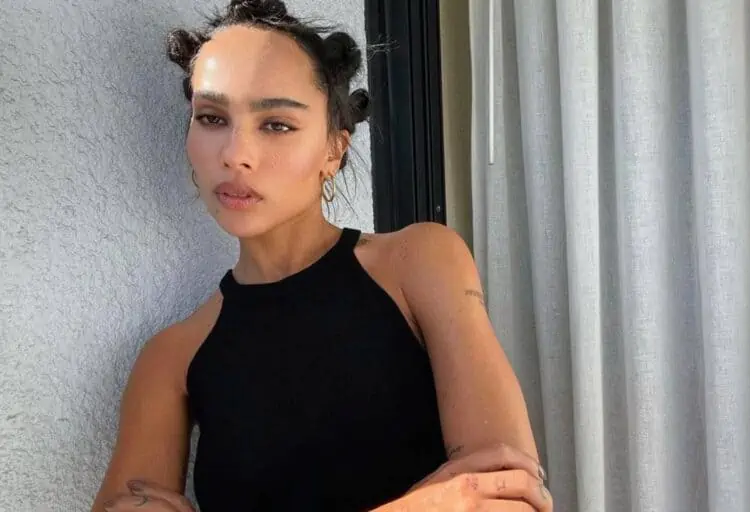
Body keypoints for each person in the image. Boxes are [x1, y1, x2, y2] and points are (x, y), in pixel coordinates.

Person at [91, 1, 552, 510]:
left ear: (334, 149)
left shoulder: (419, 262)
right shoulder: (171, 358)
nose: (235, 154)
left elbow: (510, 494)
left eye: (276, 124)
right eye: (212, 118)